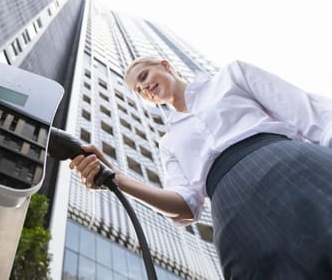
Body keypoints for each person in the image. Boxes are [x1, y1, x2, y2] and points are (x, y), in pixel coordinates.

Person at [69, 56, 332, 279]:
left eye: (144, 76)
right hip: (231, 211)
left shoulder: (232, 75)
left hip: (285, 164)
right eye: (138, 90)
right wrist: (117, 178)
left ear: (165, 65)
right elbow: (184, 206)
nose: (144, 87)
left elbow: (309, 112)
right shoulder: (168, 143)